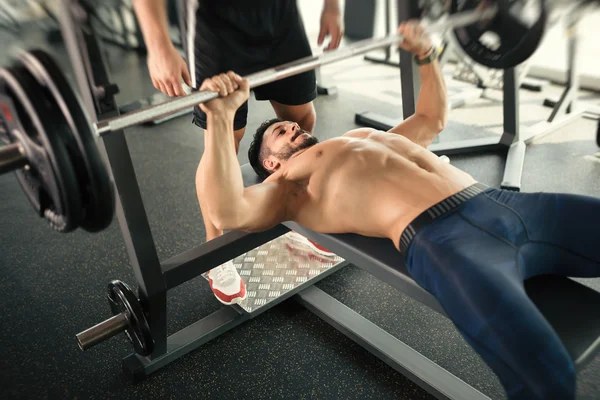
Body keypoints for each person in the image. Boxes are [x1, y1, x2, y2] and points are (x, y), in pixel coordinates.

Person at [196, 18, 600, 400]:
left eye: (290, 124)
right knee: (547, 375)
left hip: (502, 203)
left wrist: (427, 56)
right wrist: (221, 117)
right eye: (280, 133)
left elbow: (431, 118)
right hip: (447, 244)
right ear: (271, 163)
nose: (293, 127)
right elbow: (227, 210)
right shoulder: (287, 187)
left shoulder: (362, 137)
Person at [132, 0, 343, 304]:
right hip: (215, 20)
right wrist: (158, 44)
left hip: (280, 13)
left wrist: (333, 7)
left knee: (302, 122)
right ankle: (215, 253)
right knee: (224, 138)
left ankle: (293, 209)